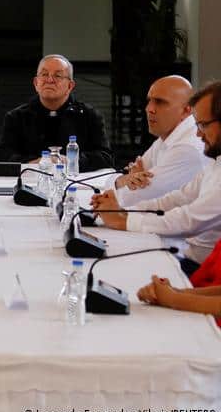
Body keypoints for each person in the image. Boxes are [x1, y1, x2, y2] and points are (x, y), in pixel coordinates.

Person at [95, 81, 221, 271]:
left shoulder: (189, 148)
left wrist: (124, 219)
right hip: (189, 254)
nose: (198, 133)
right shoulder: (215, 159)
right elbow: (178, 199)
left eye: (202, 125)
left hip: (201, 267)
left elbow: (190, 220)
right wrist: (122, 211)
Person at [92, 76, 209, 208]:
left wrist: (108, 195)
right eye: (149, 101)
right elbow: (130, 179)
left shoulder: (188, 148)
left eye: (160, 102)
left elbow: (137, 200)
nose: (149, 109)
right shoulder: (167, 137)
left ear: (187, 110)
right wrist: (124, 180)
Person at [0, 54, 113, 171]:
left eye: (58, 76)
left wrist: (72, 160)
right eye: (44, 74)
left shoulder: (89, 116)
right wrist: (34, 163)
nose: (50, 80)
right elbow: (1, 156)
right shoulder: (17, 117)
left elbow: (105, 157)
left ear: (70, 86)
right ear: (36, 83)